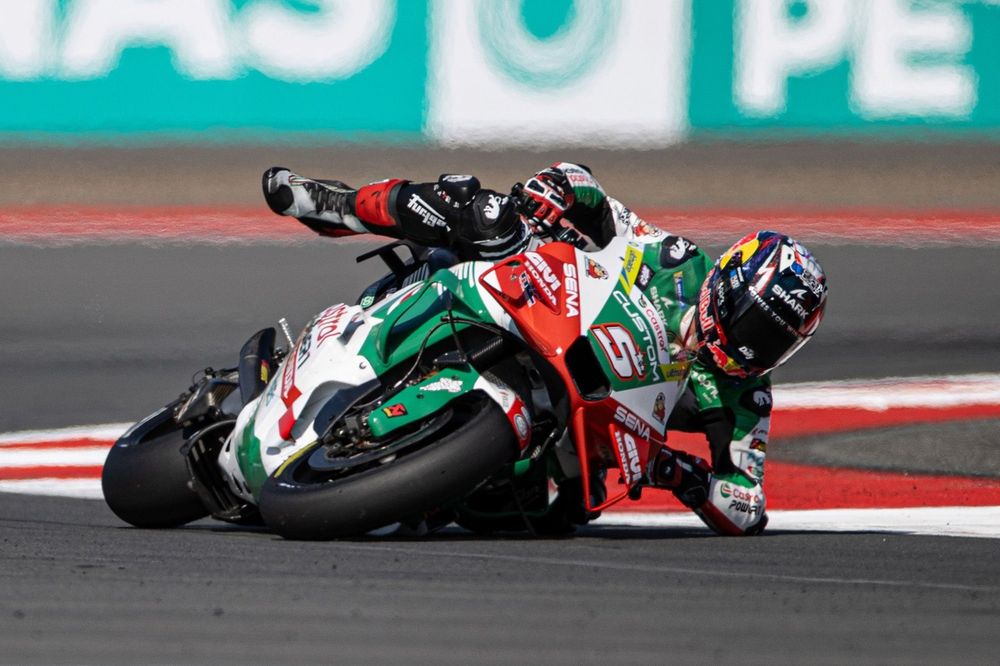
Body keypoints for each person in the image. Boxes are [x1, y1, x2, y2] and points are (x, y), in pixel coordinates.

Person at [261, 163, 828, 536]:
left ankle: (422, 479)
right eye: (754, 323)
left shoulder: (746, 396)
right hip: (552, 313)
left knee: (556, 514)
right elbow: (603, 206)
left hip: (591, 428)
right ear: (728, 284)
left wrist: (682, 474)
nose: (752, 346)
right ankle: (335, 203)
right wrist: (558, 189)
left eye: (774, 341)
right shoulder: (675, 261)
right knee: (482, 211)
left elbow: (747, 506)